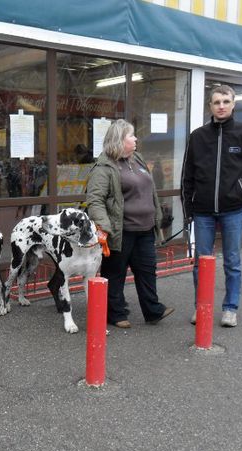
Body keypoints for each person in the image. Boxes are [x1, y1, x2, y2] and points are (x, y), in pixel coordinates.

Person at [181, 85, 242, 327]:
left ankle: (230, 308)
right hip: (203, 211)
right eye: (216, 102)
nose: (221, 106)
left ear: (233, 104)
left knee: (232, 262)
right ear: (210, 106)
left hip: (233, 210)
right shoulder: (198, 136)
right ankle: (202, 306)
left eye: (225, 101)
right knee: (201, 263)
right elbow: (187, 175)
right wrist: (188, 211)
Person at [86, 119, 174, 329]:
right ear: (119, 140)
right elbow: (95, 199)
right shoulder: (104, 166)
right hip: (121, 230)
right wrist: (104, 226)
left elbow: (149, 190)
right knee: (115, 273)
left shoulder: (138, 159)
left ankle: (153, 310)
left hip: (145, 229)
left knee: (147, 270)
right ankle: (115, 314)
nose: (135, 139)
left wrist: (157, 216)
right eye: (131, 135)